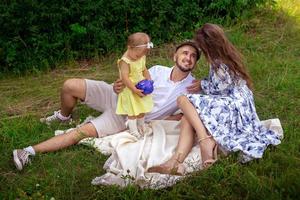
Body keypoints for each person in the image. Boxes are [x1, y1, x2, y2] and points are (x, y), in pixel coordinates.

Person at [12, 40, 202, 171]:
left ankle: (27, 152)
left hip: (126, 118)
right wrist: (120, 84)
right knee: (70, 85)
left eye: (193, 56)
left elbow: (195, 110)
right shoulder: (157, 70)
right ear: (174, 56)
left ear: (194, 63)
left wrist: (168, 118)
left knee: (80, 133)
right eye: (185, 53)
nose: (189, 57)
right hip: (115, 95)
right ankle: (63, 115)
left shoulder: (193, 87)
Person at [148, 23, 282, 175]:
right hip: (236, 101)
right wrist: (204, 84)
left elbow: (220, 88)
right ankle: (176, 163)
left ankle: (205, 140)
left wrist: (203, 84)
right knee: (187, 118)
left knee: (183, 99)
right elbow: (222, 84)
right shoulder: (224, 55)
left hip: (234, 104)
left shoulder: (218, 60)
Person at [116, 32, 153, 139]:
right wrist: (134, 89)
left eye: (142, 55)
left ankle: (141, 125)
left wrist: (149, 80)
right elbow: (125, 78)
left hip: (140, 85)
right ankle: (133, 130)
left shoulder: (141, 56)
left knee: (141, 108)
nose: (139, 58)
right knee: (132, 111)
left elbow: (144, 69)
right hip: (129, 88)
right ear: (129, 48)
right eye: (137, 55)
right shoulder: (125, 61)